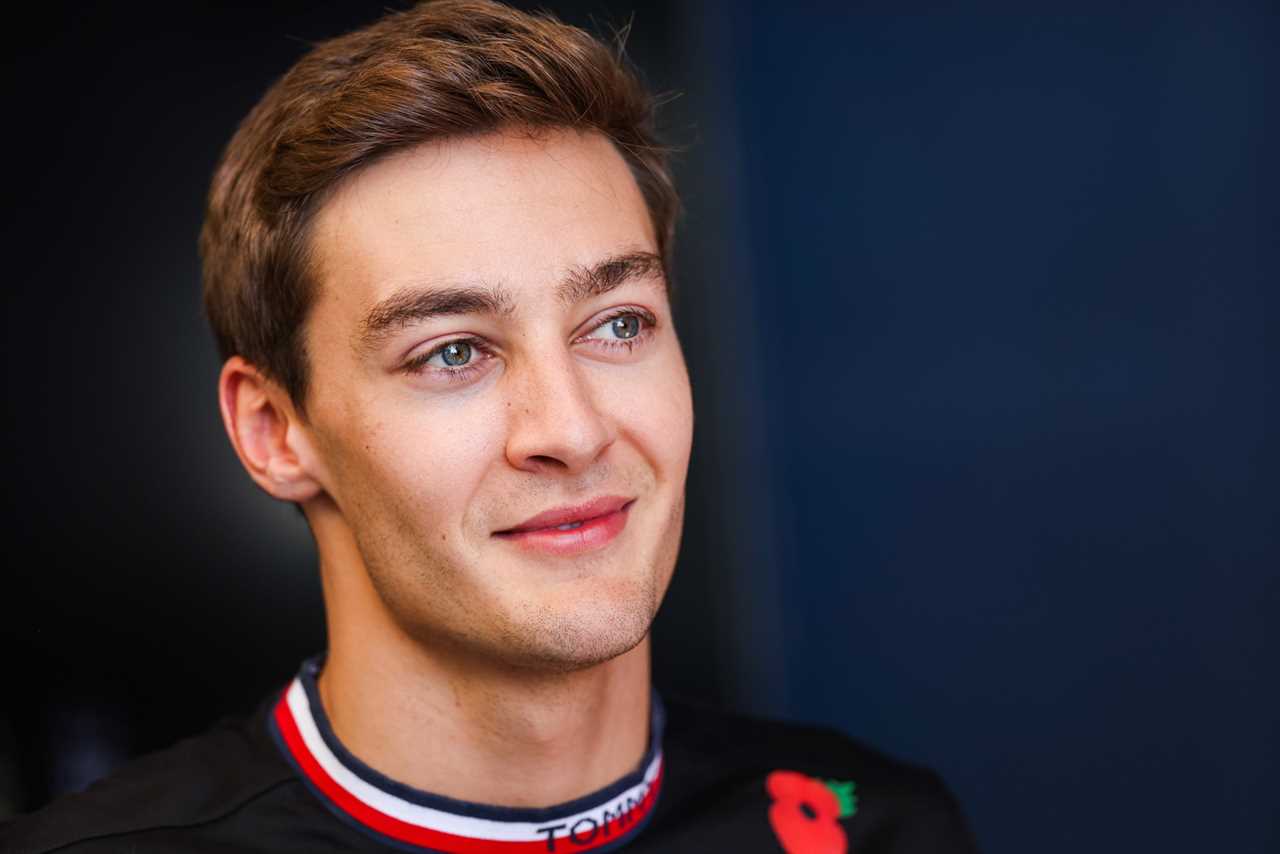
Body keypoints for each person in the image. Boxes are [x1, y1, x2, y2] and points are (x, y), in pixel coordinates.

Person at [2, 2, 979, 851]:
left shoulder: (877, 827)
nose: (571, 427)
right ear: (273, 429)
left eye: (617, 324)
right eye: (452, 351)